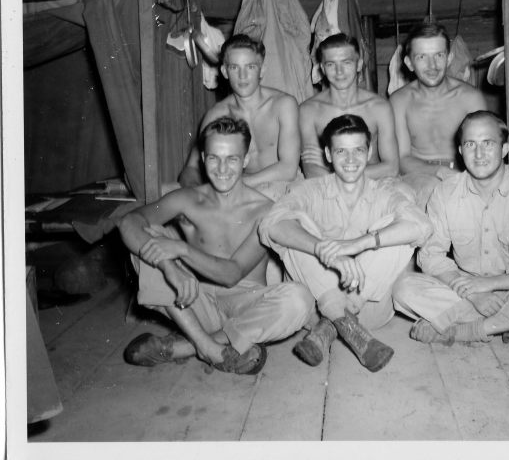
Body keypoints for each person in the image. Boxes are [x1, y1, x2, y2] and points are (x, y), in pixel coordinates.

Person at [118, 117, 314, 374]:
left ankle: (189, 345)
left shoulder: (264, 210)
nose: (222, 168)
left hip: (248, 307)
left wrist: (183, 249)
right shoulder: (188, 199)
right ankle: (212, 346)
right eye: (214, 158)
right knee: (147, 244)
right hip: (196, 301)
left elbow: (231, 274)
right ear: (202, 158)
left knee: (299, 299)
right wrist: (169, 267)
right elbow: (128, 222)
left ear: (244, 160)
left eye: (232, 158)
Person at [392, 111, 509, 349]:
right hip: (466, 289)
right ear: (461, 151)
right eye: (470, 144)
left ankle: (472, 330)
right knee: (403, 288)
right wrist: (475, 294)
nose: (479, 154)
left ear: (504, 150)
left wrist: (491, 285)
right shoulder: (445, 193)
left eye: (488, 144)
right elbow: (431, 257)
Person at [259, 115, 433, 372]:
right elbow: (270, 225)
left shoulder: (383, 193)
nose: (351, 161)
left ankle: (333, 324)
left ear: (369, 152)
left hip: (370, 309)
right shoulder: (310, 189)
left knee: (399, 230)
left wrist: (359, 243)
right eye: (342, 151)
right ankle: (345, 324)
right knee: (295, 225)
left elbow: (423, 226)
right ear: (328, 154)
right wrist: (322, 249)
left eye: (358, 151)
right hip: (315, 308)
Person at [178, 34, 302, 202]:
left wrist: (234, 186)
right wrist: (195, 193)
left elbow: (288, 169)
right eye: (235, 68)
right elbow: (192, 167)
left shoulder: (283, 105)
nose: (243, 76)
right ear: (224, 71)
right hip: (234, 189)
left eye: (250, 67)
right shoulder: (216, 115)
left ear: (262, 70)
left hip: (282, 185)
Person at [390, 23, 488, 209]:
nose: (432, 65)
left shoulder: (470, 97)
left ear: (449, 58)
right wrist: (439, 171)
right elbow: (401, 160)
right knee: (433, 189)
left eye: (439, 55)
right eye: (422, 57)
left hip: (465, 172)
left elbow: (486, 150)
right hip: (419, 176)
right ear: (409, 63)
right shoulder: (399, 101)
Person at [299, 33, 401, 182]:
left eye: (346, 63)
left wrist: (332, 169)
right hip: (328, 187)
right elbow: (311, 172)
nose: (339, 72)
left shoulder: (379, 107)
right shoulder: (308, 111)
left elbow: (391, 168)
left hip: (374, 183)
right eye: (331, 64)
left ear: (359, 64)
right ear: (322, 68)